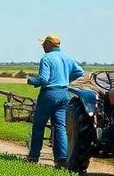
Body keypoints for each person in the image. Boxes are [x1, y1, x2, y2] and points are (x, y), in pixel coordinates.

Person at [27, 34, 84, 166]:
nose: (42, 46)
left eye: (43, 44)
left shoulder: (46, 58)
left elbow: (43, 79)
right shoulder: (67, 57)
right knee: (60, 127)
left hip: (49, 94)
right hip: (63, 94)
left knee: (38, 126)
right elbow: (79, 71)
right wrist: (66, 80)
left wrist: (31, 80)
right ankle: (61, 159)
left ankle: (33, 157)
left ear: (48, 45)